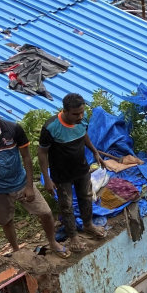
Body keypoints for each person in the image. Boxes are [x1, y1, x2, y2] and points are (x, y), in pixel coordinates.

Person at [0, 105, 63, 257]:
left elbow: (26, 157)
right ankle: (17, 250)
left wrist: (29, 186)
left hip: (20, 182)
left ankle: (52, 242)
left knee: (45, 212)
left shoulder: (13, 129)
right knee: (6, 220)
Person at [37, 94, 106, 253]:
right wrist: (47, 178)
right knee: (66, 205)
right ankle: (73, 235)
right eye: (75, 114)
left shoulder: (82, 120)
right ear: (65, 111)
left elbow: (84, 135)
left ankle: (88, 224)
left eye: (82, 112)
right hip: (62, 175)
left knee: (86, 197)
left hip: (82, 169)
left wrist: (95, 152)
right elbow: (42, 153)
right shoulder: (51, 127)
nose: (80, 116)